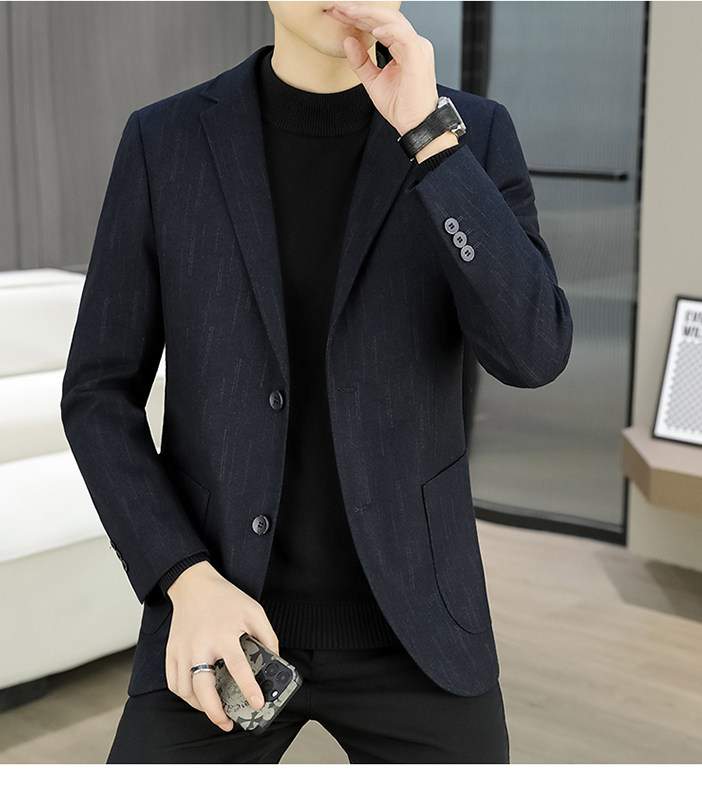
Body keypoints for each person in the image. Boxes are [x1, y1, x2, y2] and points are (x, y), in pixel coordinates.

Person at [61, 1, 572, 764]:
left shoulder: (471, 132)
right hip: (221, 612)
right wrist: (184, 578)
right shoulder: (165, 140)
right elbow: (97, 395)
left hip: (419, 625)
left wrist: (430, 142)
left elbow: (534, 353)